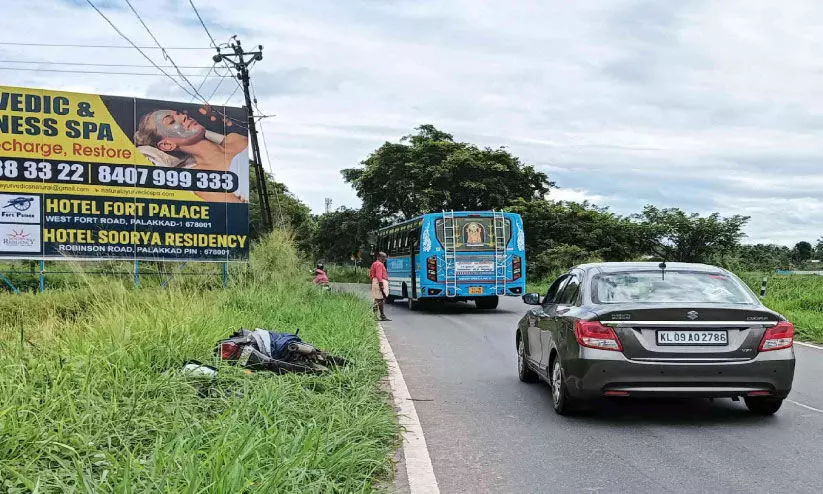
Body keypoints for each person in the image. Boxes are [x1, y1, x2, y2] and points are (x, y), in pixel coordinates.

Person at [133, 109, 249, 203]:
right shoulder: (201, 180)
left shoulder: (235, 138)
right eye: (171, 122)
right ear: (167, 145)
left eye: (178, 113)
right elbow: (239, 214)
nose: (183, 116)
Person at [369, 252, 390, 321]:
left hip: (375, 282)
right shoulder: (379, 264)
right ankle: (382, 315)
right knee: (380, 299)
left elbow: (371, 275)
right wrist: (381, 284)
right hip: (379, 282)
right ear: (379, 257)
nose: (385, 259)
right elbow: (378, 275)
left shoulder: (374, 263)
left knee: (377, 299)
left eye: (385, 257)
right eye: (383, 257)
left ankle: (375, 316)